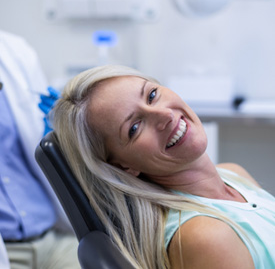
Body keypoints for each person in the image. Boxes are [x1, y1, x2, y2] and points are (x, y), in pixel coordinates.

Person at [52, 64, 275, 269]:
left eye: (151, 95)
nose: (165, 115)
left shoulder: (233, 175)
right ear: (122, 166)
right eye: (134, 127)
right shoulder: (207, 236)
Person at [0, 30, 80, 269]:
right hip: (7, 250)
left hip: (54, 236)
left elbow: (36, 137)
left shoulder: (13, 50)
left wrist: (57, 128)